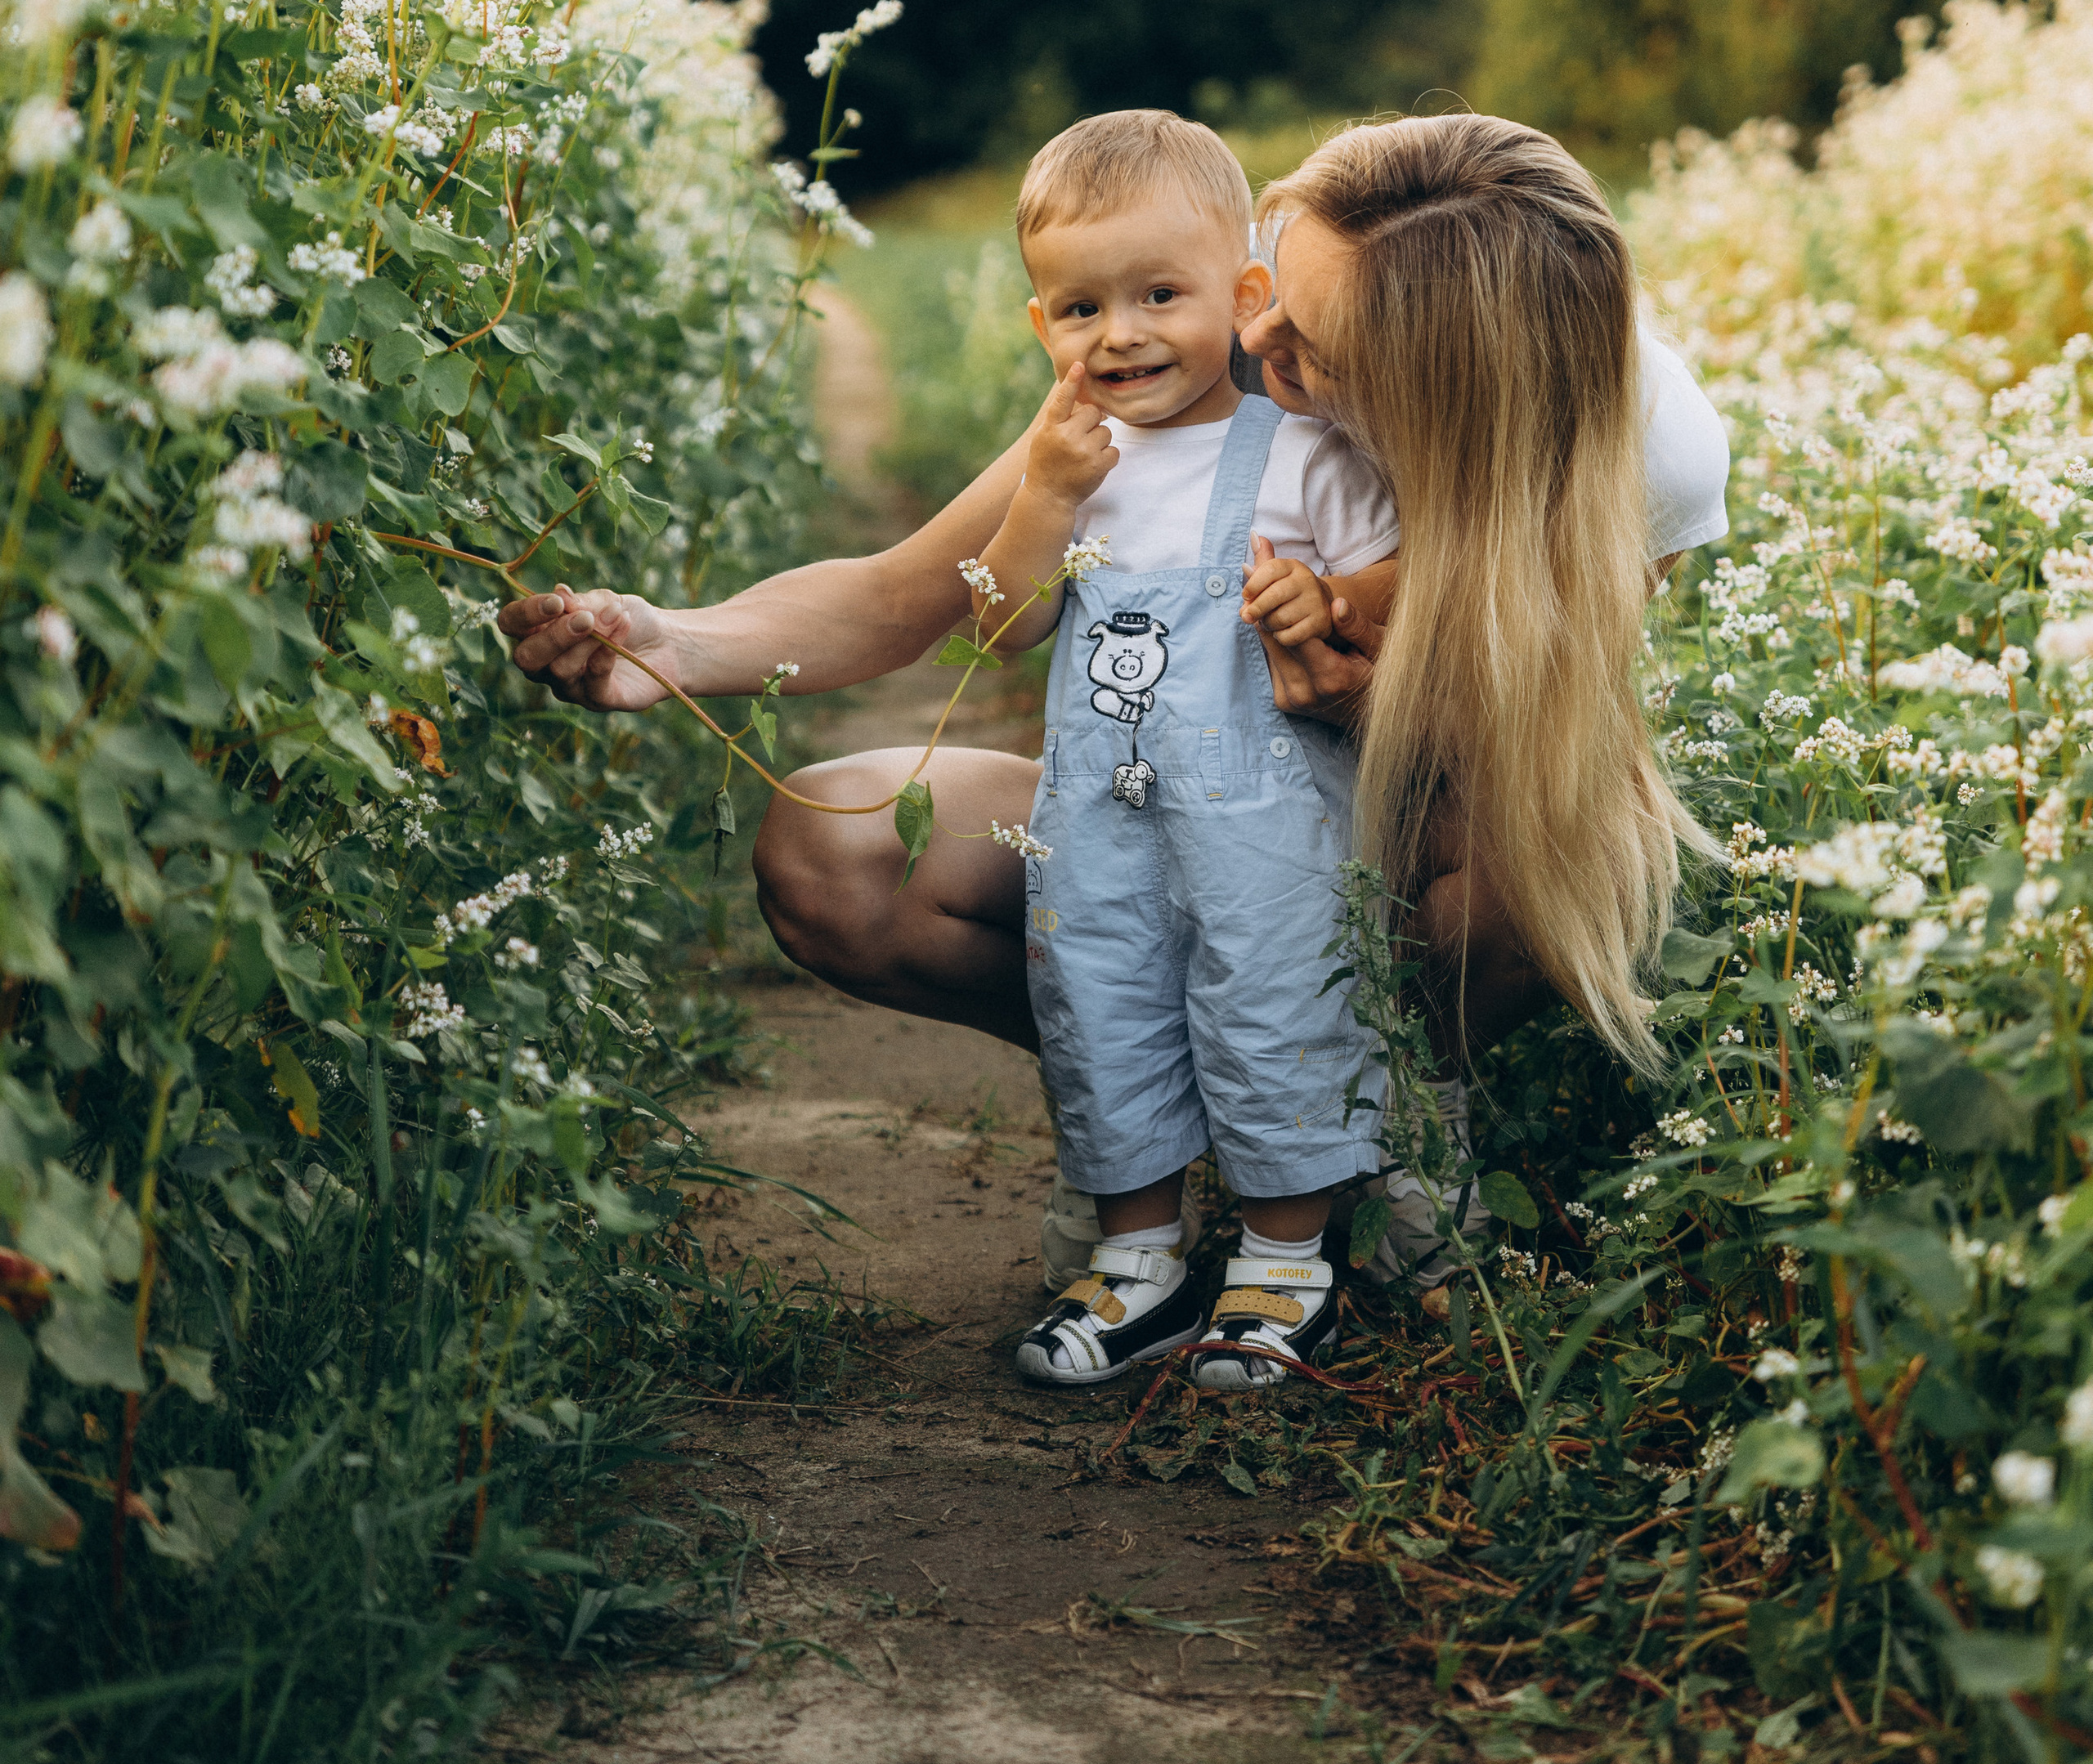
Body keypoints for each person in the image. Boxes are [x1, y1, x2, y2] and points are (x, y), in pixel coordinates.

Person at [497, 111, 1729, 1317]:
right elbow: (910, 594)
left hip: (1387, 815)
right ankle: (1157, 1107)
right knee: (841, 849)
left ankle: (1389, 1109)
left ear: (1443, 389)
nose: (1260, 342)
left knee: (1576, 832)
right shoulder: (1199, 336)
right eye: (1265, 292)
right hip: (1165, 815)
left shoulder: (1643, 456)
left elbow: (1538, 734)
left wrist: (1367, 692)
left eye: (1314, 347)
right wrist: (673, 644)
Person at [957, 111, 1405, 1391]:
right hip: (1100, 821)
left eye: (1162, 294)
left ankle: (1282, 1264)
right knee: (1102, 1010)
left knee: (1277, 1005)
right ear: (1042, 325)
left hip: (1267, 826)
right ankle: (1138, 1257)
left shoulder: (1305, 455)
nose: (1125, 332)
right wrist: (1041, 497)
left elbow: (1385, 600)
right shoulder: (1073, 467)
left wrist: (1321, 603)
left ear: (1246, 295)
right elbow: (1004, 627)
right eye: (1082, 307)